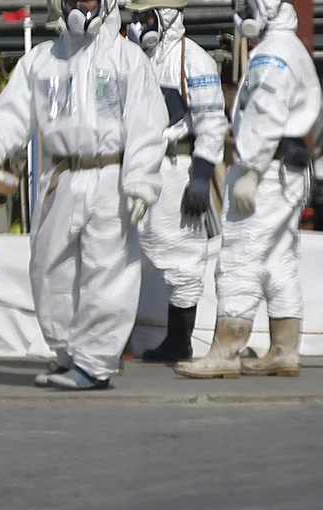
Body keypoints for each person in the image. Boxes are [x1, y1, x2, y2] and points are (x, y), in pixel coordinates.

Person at [0, 0, 167, 390]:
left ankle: (94, 363)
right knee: (48, 267)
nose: (80, 6)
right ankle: (68, 353)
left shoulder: (128, 59)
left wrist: (142, 181)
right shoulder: (43, 61)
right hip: (61, 176)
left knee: (106, 271)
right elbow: (12, 115)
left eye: (89, 0)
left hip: (110, 178)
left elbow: (147, 124)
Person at [176, 0, 320, 379]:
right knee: (278, 260)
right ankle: (284, 349)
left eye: (246, 4)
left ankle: (226, 350)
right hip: (285, 169)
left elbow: (265, 113)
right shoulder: (288, 47)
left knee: (241, 256)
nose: (240, 12)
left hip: (267, 169)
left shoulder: (271, 54)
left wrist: (251, 171)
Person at [126, 0, 227, 363]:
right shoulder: (137, 57)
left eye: (144, 16)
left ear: (165, 16)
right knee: (124, 251)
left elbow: (212, 122)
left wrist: (200, 175)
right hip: (138, 165)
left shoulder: (193, 60)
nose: (137, 24)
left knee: (181, 255)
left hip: (175, 168)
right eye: (134, 17)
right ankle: (115, 338)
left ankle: (180, 340)